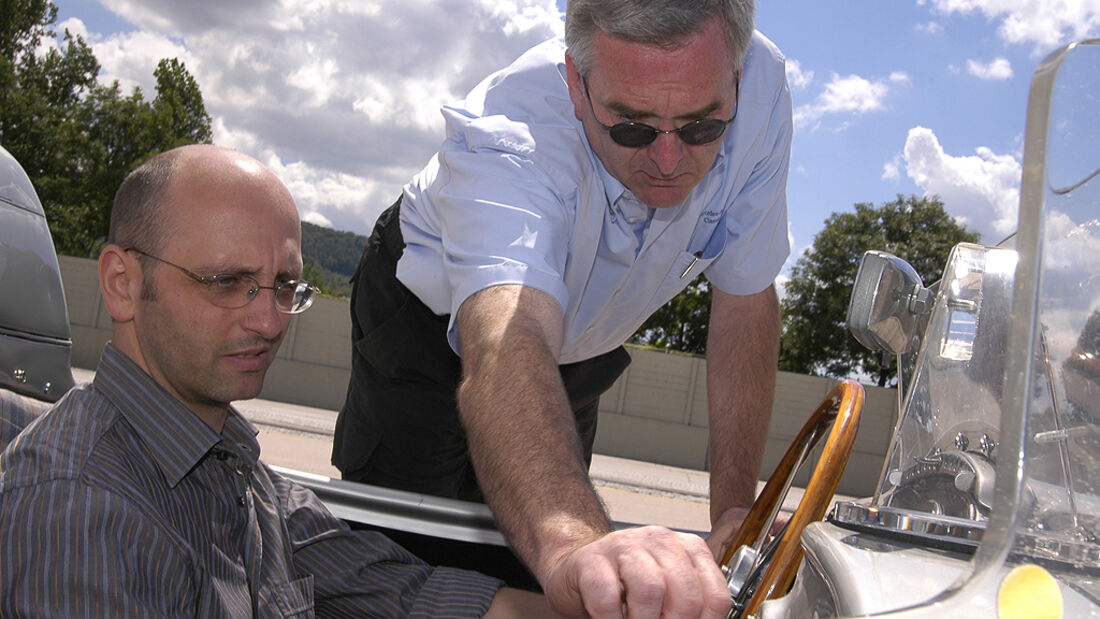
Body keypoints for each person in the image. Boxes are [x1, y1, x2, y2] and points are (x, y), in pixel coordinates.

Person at [334, 0, 790, 615]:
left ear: (735, 80)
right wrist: (574, 546)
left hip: (575, 348)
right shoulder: (513, 142)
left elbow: (746, 293)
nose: (668, 160)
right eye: (630, 126)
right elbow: (503, 346)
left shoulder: (761, 88)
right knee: (406, 558)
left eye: (702, 127)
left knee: (541, 570)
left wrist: (737, 516)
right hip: (432, 321)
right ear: (576, 84)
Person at [0, 145, 553, 617]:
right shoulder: (83, 506)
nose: (269, 322)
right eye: (225, 281)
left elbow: (407, 594)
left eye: (285, 284)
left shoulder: (236, 473)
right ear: (122, 283)